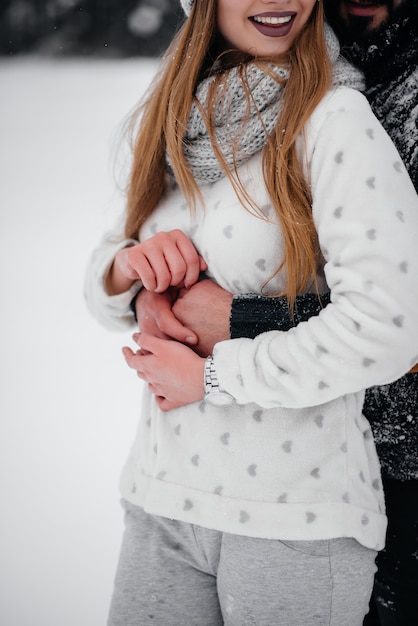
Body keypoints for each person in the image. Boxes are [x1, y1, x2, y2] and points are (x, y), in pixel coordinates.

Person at [84, 0, 418, 623]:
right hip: (164, 500)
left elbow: (387, 329)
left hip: (296, 515)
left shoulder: (335, 119)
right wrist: (134, 274)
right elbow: (104, 275)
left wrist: (213, 376)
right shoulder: (178, 117)